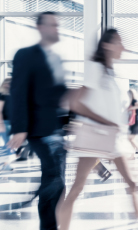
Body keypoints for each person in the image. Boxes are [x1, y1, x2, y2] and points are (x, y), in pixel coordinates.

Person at [56, 29, 138, 230]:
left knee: (133, 184)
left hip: (112, 139)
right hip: (96, 137)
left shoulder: (110, 72)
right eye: (119, 42)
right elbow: (76, 103)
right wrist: (105, 122)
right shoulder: (95, 68)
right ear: (107, 45)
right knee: (77, 188)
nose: (123, 47)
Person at [6, 12, 70, 229]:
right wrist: (19, 128)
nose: (57, 29)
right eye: (53, 25)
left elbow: (60, 97)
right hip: (37, 130)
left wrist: (69, 124)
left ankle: (48, 223)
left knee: (57, 182)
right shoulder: (25, 55)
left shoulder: (57, 59)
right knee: (54, 177)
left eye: (58, 25)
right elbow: (18, 91)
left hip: (56, 130)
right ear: (40, 27)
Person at [0, 79, 13, 171]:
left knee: (9, 145)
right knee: (8, 145)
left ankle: (6, 163)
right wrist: (1, 123)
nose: (8, 85)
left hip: (11, 122)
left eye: (10, 83)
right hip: (4, 122)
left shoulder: (12, 95)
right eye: (7, 83)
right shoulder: (2, 95)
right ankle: (6, 164)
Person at [127, 89, 138, 157]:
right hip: (135, 121)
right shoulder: (134, 101)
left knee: (130, 139)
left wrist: (130, 109)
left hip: (135, 121)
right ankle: (132, 156)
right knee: (132, 139)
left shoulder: (134, 101)